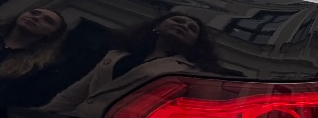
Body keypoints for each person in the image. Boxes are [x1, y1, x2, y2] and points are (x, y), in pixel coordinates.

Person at [45, 13, 221, 118]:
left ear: (196, 43)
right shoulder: (118, 54)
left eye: (192, 28)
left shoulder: (192, 74)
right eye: (178, 20)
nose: (183, 25)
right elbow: (76, 93)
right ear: (157, 26)